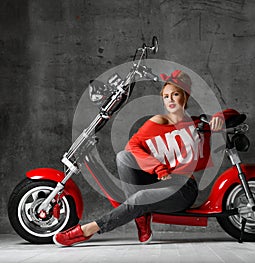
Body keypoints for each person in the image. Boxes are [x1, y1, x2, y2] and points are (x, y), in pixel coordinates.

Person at [53, 69, 238, 247]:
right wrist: (158, 168)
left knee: (140, 197)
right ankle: (141, 218)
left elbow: (235, 115)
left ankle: (88, 230)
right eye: (166, 96)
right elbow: (132, 147)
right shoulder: (158, 122)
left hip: (183, 189)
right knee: (123, 157)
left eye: (175, 94)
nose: (170, 100)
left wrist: (221, 117)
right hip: (159, 180)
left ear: (185, 96)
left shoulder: (198, 123)